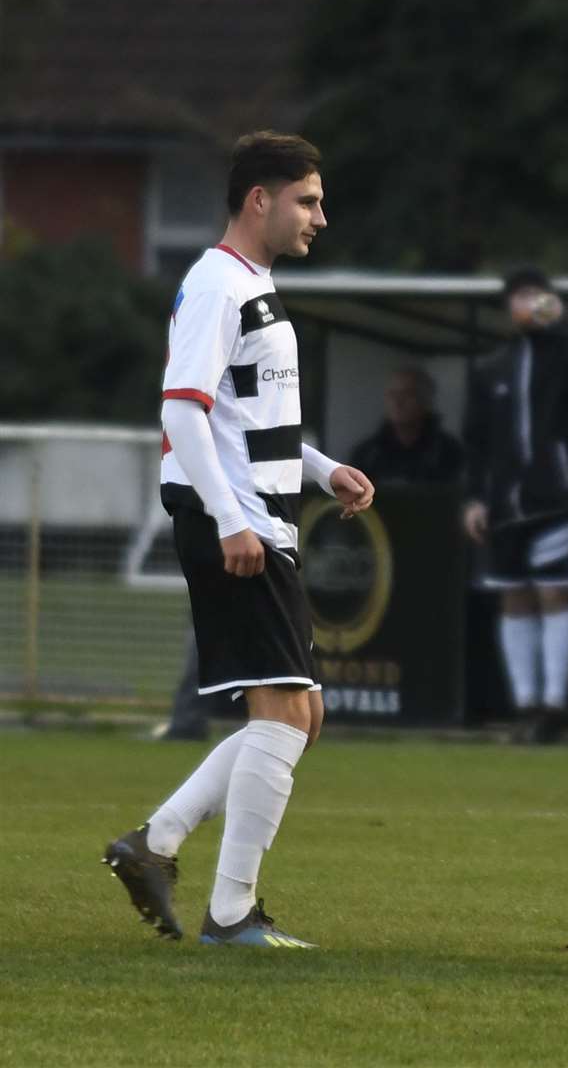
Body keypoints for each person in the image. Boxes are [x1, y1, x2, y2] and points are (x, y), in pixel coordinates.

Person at [102, 130, 374, 948]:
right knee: (288, 712)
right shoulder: (218, 284)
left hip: (258, 516)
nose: (320, 217)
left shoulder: (250, 285)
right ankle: (229, 913)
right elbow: (180, 409)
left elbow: (239, 413)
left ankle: (155, 845)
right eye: (308, 200)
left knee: (300, 713)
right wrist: (228, 519)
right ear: (260, 199)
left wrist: (322, 470)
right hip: (236, 523)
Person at [463, 269, 568, 737]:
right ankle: (525, 706)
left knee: (555, 592)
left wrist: (557, 322)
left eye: (535, 296)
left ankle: (554, 705)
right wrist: (476, 499)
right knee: (513, 597)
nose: (527, 305)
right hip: (505, 505)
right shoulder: (492, 368)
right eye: (518, 297)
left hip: (557, 498)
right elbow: (476, 442)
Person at [348, 365, 465, 486]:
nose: (398, 402)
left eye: (408, 394)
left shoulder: (450, 452)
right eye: (392, 394)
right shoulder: (366, 454)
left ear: (426, 400)